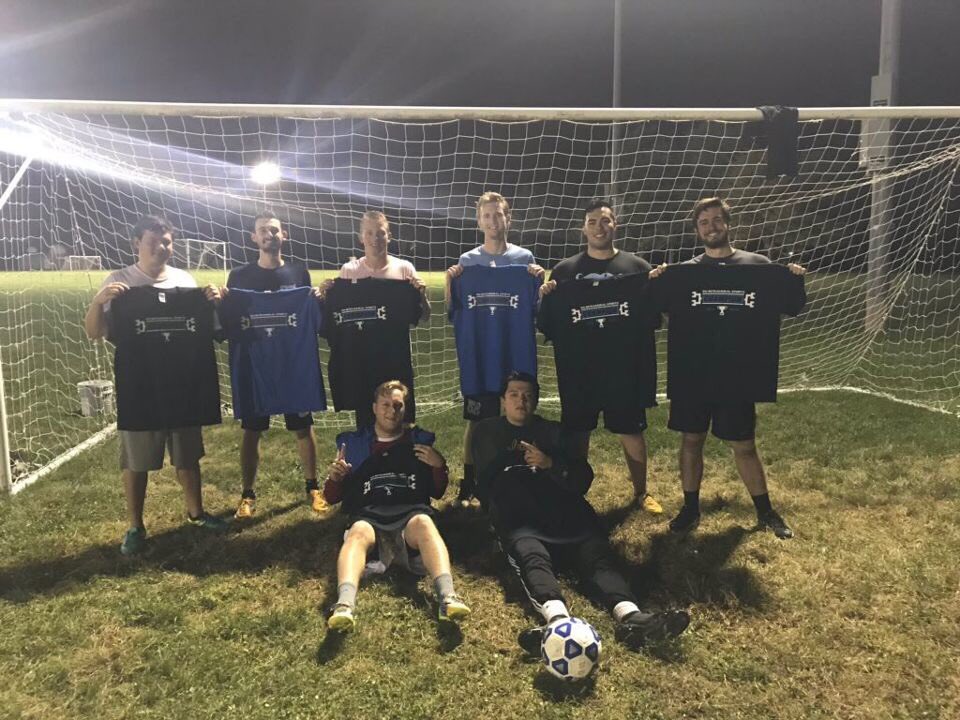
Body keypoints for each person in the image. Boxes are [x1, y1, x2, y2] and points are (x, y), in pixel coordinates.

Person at [472, 371, 689, 653]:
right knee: (531, 555)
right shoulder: (488, 432)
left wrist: (550, 463)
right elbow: (487, 482)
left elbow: (582, 478)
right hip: (520, 513)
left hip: (565, 511)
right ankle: (556, 622)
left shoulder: (553, 431)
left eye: (527, 395)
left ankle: (631, 617)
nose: (520, 401)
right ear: (502, 401)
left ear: (536, 401)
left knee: (596, 556)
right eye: (513, 395)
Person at [651, 197, 806, 539]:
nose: (711, 226)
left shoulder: (758, 266)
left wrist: (793, 278)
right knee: (691, 440)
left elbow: (794, 305)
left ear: (728, 224)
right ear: (697, 230)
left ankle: (766, 511)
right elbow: (654, 306)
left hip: (738, 373)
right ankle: (690, 508)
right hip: (694, 372)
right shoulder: (685, 273)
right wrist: (657, 279)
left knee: (745, 444)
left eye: (717, 220)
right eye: (704, 222)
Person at [83, 214, 227, 555]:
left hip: (183, 383)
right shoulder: (120, 281)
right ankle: (135, 525)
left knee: (187, 457)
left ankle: (196, 512)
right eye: (154, 241)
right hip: (140, 385)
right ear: (137, 243)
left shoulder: (184, 280)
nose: (162, 247)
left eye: (167, 242)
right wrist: (98, 301)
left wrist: (210, 299)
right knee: (136, 461)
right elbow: (94, 332)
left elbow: (210, 325)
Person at [539, 199, 663, 514]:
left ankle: (641, 492)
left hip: (624, 367)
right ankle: (574, 489)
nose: (599, 227)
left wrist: (658, 285)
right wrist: (546, 298)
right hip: (579, 370)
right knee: (578, 432)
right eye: (592, 222)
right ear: (583, 228)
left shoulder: (637, 269)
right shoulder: (565, 272)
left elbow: (655, 317)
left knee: (631, 430)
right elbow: (548, 322)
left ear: (615, 226)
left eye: (605, 221)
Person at [324, 380, 471, 631]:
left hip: (409, 513)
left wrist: (438, 466)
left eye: (398, 405)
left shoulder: (418, 442)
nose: (392, 411)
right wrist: (336, 478)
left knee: (425, 522)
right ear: (374, 408)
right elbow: (331, 498)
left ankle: (447, 597)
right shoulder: (356, 444)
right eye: (385, 405)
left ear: (405, 409)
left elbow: (436, 492)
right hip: (369, 514)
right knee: (357, 533)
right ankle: (344, 604)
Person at [220, 210, 325, 519]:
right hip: (256, 365)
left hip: (291, 363)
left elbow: (309, 309)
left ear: (284, 235)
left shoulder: (298, 273)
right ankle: (248, 494)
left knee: (303, 427)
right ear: (254, 237)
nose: (270, 235)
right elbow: (228, 317)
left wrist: (317, 297)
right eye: (263, 230)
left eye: (275, 230)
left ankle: (312, 487)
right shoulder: (238, 277)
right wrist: (220, 298)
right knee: (251, 430)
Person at [445, 192, 544, 507]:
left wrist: (540, 282)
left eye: (497, 215)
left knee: (518, 417)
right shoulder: (467, 263)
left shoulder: (524, 260)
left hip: (514, 356)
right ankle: (470, 480)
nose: (492, 221)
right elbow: (452, 309)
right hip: (480, 360)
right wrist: (450, 283)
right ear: (479, 221)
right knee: (477, 421)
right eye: (486, 216)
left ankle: (520, 473)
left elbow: (538, 310)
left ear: (508, 219)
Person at [321, 210, 431, 319]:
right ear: (360, 237)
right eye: (369, 233)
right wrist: (326, 296)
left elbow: (425, 317)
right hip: (360, 337)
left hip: (395, 336)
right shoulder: (349, 270)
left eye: (381, 233)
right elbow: (339, 313)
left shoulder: (404, 269)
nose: (375, 238)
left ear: (389, 237)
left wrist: (422, 295)